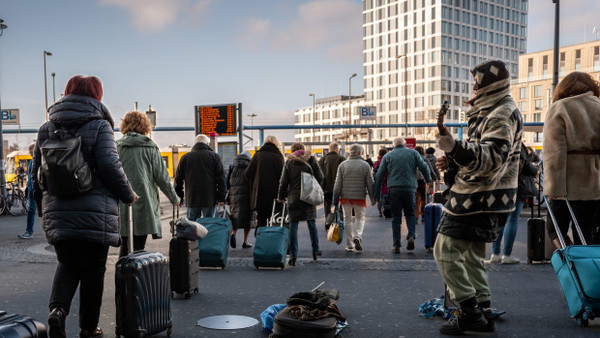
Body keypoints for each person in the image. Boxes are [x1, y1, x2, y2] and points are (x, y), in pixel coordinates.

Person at [31, 75, 137, 338]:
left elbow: (36, 175)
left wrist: (43, 208)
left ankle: (58, 311)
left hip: (58, 209)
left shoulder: (46, 128)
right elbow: (110, 166)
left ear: (66, 93)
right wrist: (128, 194)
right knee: (93, 270)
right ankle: (89, 328)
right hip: (95, 212)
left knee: (67, 263)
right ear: (96, 95)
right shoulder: (101, 126)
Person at [433, 60, 522, 335]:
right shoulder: (495, 110)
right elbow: (483, 152)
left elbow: (493, 157)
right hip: (487, 197)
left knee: (445, 251)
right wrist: (454, 159)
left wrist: (454, 148)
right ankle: (483, 312)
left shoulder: (499, 113)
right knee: (471, 257)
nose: (472, 88)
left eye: (476, 83)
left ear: (488, 85)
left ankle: (470, 313)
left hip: (477, 197)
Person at [543, 71, 600, 248]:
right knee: (590, 237)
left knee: (555, 230)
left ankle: (571, 265)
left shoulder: (559, 108)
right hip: (596, 184)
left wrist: (553, 190)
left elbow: (554, 153)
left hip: (567, 185)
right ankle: (591, 271)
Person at [116, 111, 178, 257]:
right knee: (138, 246)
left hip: (122, 203)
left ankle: (122, 278)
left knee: (125, 245)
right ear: (145, 126)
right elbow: (162, 177)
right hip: (144, 204)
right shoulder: (150, 147)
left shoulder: (117, 146)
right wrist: (174, 198)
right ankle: (133, 278)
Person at [374, 137, 431, 253]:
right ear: (404, 144)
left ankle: (396, 245)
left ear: (393, 145)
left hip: (394, 189)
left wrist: (376, 194)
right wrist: (428, 179)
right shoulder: (413, 153)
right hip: (410, 188)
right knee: (410, 214)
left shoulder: (388, 156)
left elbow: (379, 175)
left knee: (396, 217)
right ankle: (411, 236)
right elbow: (424, 166)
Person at [490, 143, 538, 264]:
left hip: (498, 184)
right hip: (515, 185)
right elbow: (522, 162)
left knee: (499, 219)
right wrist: (534, 170)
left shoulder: (496, 141)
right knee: (512, 219)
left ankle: (495, 254)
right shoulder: (515, 141)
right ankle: (507, 255)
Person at [277, 142, 324, 266]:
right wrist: (315, 188)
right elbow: (320, 177)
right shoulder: (311, 160)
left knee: (293, 226)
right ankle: (315, 250)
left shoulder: (289, 163)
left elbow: (283, 182)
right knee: (311, 223)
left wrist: (281, 197)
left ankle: (293, 256)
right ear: (303, 149)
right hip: (308, 197)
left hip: (293, 198)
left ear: (292, 151)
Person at [332, 144, 375, 252]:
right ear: (360, 152)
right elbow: (370, 183)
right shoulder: (365, 165)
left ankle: (349, 244)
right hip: (359, 197)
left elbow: (337, 184)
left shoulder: (342, 165)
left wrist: (335, 199)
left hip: (345, 197)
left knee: (347, 219)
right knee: (360, 217)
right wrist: (372, 197)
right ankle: (358, 235)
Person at [174, 134, 226, 221]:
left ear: (195, 144)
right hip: (209, 199)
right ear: (207, 143)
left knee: (192, 227)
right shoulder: (214, 157)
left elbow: (178, 180)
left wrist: (179, 197)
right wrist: (221, 198)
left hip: (192, 199)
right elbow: (221, 179)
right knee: (209, 224)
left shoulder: (185, 158)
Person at [245, 136, 285, 229]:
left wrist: (254, 184)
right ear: (276, 143)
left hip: (259, 193)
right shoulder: (278, 156)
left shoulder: (257, 155)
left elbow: (247, 173)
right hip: (273, 193)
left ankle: (259, 234)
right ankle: (269, 238)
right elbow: (282, 176)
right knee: (273, 217)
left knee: (261, 217)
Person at [227, 151, 253, 249]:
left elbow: (227, 181)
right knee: (248, 219)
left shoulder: (232, 165)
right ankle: (245, 242)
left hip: (234, 195)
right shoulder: (250, 165)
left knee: (235, 217)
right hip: (248, 196)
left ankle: (233, 234)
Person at [318, 142, 345, 228]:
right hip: (339, 186)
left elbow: (319, 174)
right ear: (337, 149)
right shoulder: (342, 159)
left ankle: (328, 222)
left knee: (327, 205)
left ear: (329, 149)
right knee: (339, 204)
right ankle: (339, 221)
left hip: (326, 187)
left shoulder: (323, 159)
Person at [17, 143, 36, 239]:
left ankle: (29, 232)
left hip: (35, 188)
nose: (31, 153)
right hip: (31, 188)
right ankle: (29, 231)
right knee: (31, 210)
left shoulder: (37, 161)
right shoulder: (32, 161)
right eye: (30, 152)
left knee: (32, 210)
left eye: (32, 151)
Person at [414, 146, 434, 223]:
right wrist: (433, 178)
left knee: (415, 200)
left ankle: (415, 217)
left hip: (414, 182)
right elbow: (430, 170)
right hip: (423, 182)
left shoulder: (413, 159)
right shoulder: (425, 159)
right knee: (423, 199)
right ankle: (423, 215)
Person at [373, 148, 389, 217]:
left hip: (379, 182)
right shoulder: (388, 161)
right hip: (388, 181)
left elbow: (374, 172)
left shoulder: (376, 163)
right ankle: (387, 209)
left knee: (379, 197)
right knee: (387, 196)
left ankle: (380, 212)